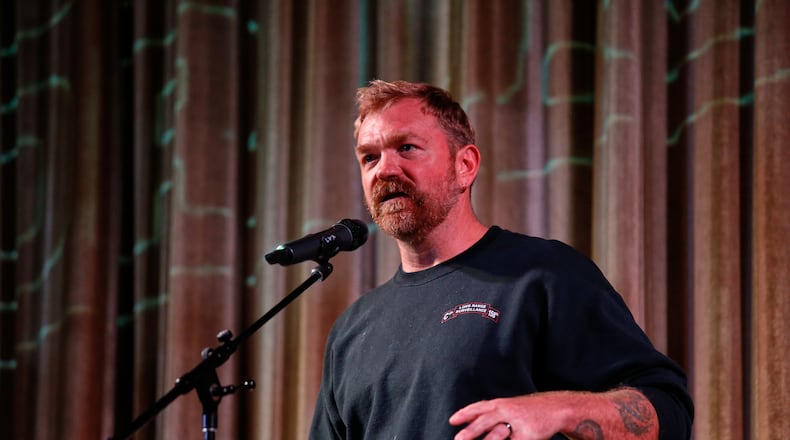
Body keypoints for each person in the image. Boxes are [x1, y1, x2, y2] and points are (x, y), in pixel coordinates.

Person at [308, 80, 693, 439]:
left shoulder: (543, 275)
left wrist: (558, 410)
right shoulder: (352, 331)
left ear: (465, 166)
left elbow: (668, 410)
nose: (385, 170)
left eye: (406, 147)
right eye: (369, 157)